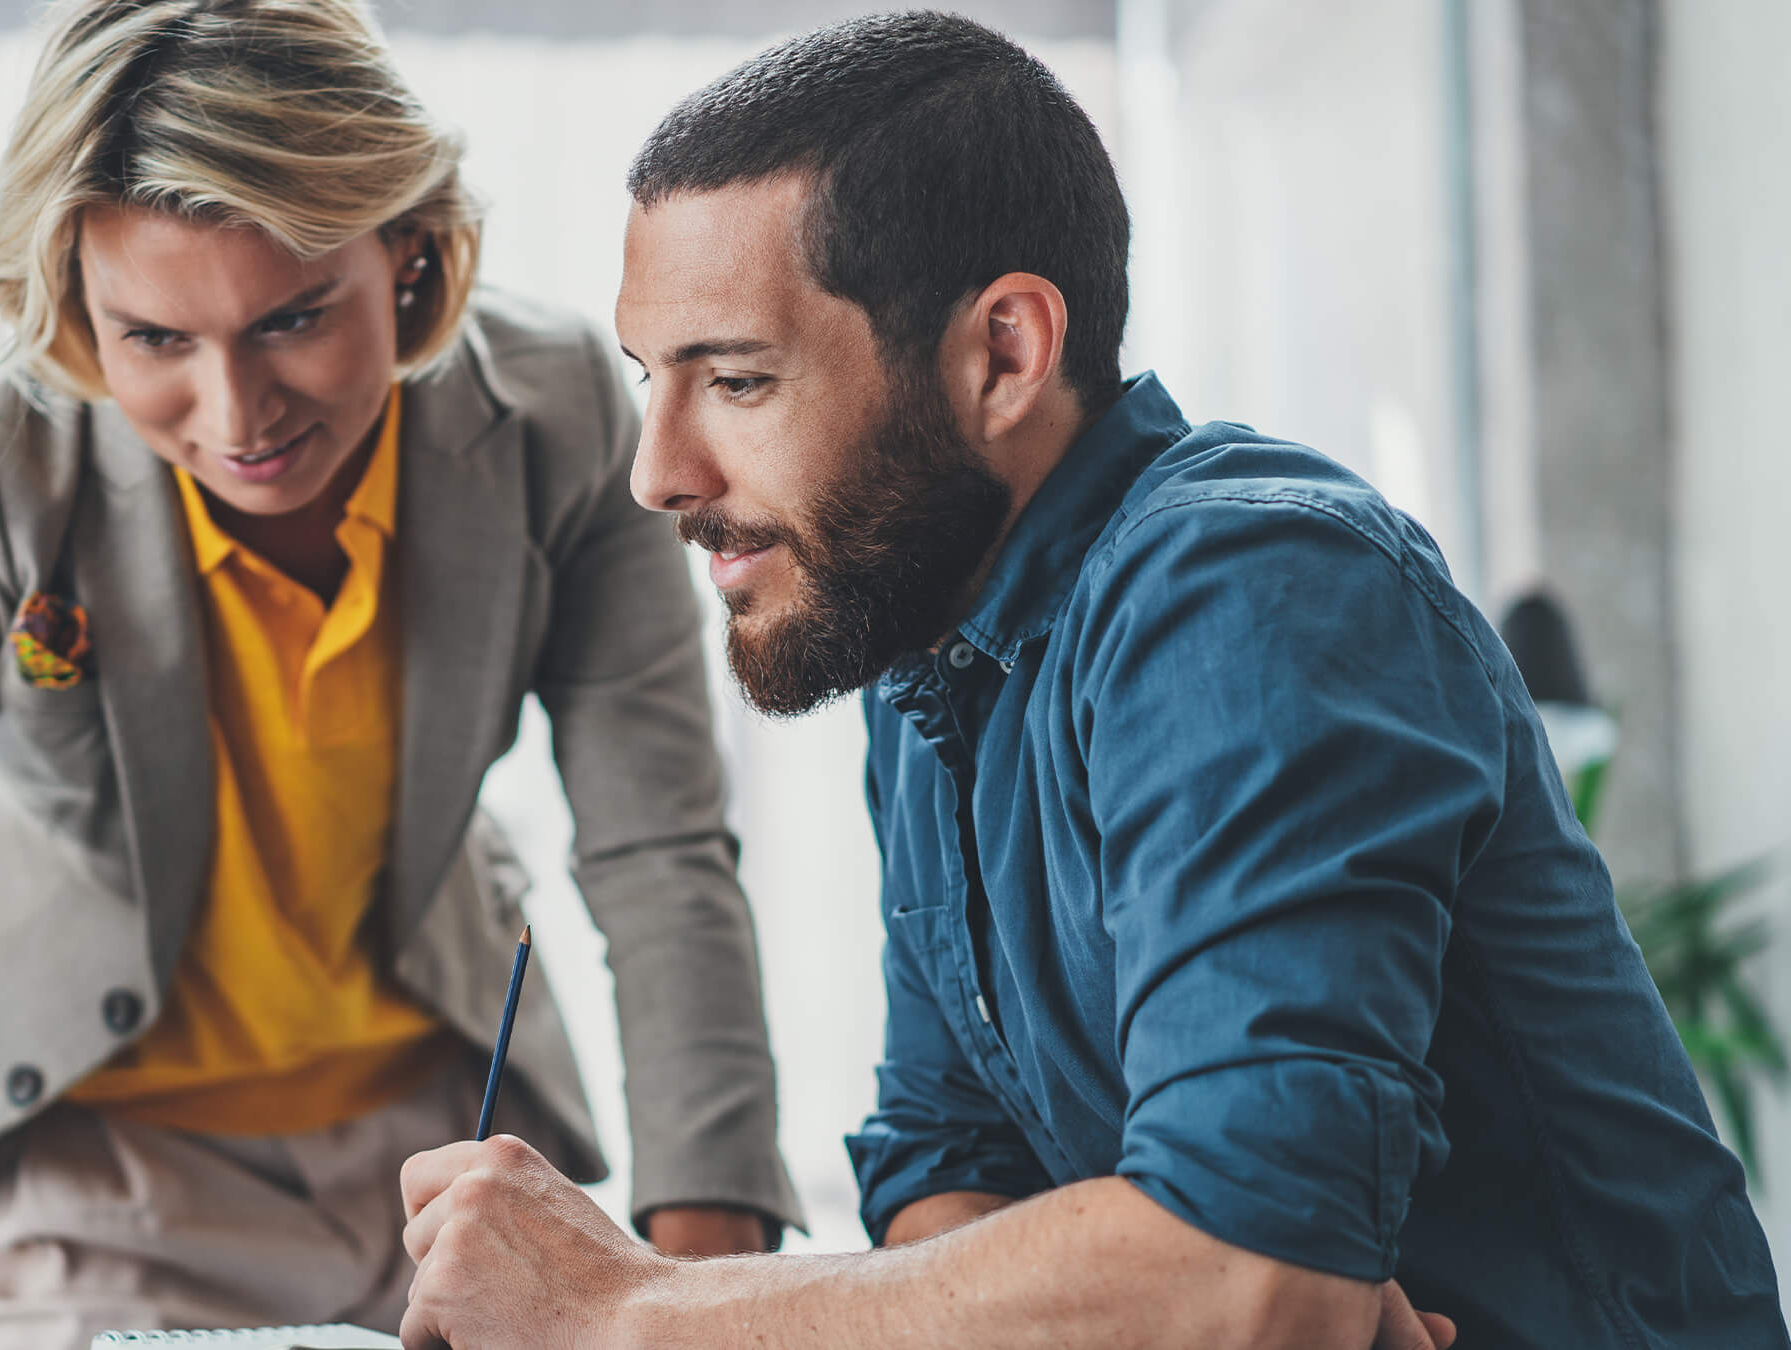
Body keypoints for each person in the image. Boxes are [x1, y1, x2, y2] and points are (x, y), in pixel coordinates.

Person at [395, 13, 1786, 1350]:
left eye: (739, 381)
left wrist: (630, 1311)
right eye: (651, 378)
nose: (657, 473)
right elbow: (953, 1161)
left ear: (1003, 352)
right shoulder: (924, 635)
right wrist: (1166, 1284)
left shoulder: (1248, 592)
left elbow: (1251, 1278)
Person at [0, 1, 797, 1343]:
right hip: (83, 1162)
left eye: (293, 318)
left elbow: (659, 848)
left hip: (437, 1142)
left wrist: (704, 1283)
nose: (237, 416)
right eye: (155, 338)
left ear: (406, 252)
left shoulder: (556, 411)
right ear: (74, 298)